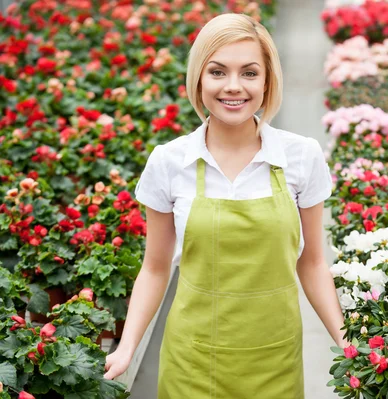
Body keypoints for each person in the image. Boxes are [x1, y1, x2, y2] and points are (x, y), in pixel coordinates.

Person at [103, 12, 347, 398]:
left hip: (275, 361)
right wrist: (127, 348)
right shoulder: (169, 162)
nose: (234, 87)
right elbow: (155, 268)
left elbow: (313, 262)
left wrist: (348, 344)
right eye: (218, 72)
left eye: (249, 73)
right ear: (198, 78)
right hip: (191, 364)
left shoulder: (301, 157)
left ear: (268, 81)